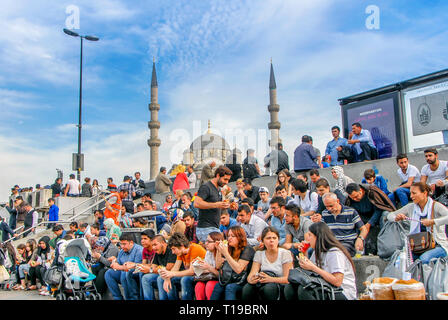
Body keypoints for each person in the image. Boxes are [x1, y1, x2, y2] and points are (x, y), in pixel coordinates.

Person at [285, 222, 357, 300]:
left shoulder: (335, 253)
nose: (307, 239)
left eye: (310, 235)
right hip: (325, 285)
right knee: (290, 288)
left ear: (318, 237)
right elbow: (310, 274)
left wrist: (313, 268)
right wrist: (304, 253)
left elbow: (337, 281)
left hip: (342, 291)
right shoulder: (317, 251)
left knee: (305, 290)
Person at [387, 182, 448, 264]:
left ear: (424, 193)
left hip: (438, 246)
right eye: (410, 193)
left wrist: (432, 222)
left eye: (414, 193)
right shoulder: (411, 207)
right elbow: (389, 215)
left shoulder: (436, 206)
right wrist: (396, 218)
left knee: (423, 259)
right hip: (417, 246)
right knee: (401, 260)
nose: (411, 196)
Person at [243, 226, 293, 300]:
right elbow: (251, 274)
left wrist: (270, 279)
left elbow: (287, 279)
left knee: (269, 289)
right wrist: (252, 279)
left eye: (274, 238)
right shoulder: (259, 254)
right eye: (268, 238)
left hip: (280, 284)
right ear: (262, 241)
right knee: (247, 288)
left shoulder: (285, 253)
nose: (271, 240)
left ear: (278, 239)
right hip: (264, 281)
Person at [345, 183, 396, 254]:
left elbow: (379, 208)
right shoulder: (350, 200)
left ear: (361, 190)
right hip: (363, 217)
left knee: (385, 215)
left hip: (377, 215)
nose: (355, 199)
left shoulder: (371, 192)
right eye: (352, 198)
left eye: (356, 196)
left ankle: (387, 244)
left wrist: (369, 223)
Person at [210, 226, 255, 300]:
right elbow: (218, 266)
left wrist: (226, 253)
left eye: (233, 236)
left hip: (242, 281)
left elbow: (238, 269)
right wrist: (218, 250)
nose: (229, 238)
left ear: (240, 237)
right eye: (228, 236)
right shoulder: (229, 248)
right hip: (229, 279)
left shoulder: (247, 249)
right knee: (218, 286)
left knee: (230, 287)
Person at [158, 233, 206, 300]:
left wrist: (172, 274)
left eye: (173, 249)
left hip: (201, 275)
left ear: (181, 245)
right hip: (192, 275)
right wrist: (167, 277)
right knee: (162, 278)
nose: (173, 252)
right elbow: (176, 268)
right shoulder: (181, 252)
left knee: (185, 279)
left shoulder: (195, 248)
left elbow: (192, 271)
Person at [194, 166, 232, 243]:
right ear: (218, 175)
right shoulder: (206, 187)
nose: (226, 182)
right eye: (225, 179)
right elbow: (196, 203)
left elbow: (216, 207)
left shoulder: (218, 188)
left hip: (214, 228)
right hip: (206, 228)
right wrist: (216, 205)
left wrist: (229, 206)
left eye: (228, 180)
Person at [104, 233, 144, 300]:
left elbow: (137, 267)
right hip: (124, 273)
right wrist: (114, 261)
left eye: (124, 244)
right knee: (109, 273)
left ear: (131, 243)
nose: (122, 246)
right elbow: (119, 264)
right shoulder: (122, 251)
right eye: (121, 244)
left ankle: (132, 297)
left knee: (126, 273)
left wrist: (120, 267)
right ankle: (117, 297)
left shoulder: (139, 250)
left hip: (135, 274)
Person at [141, 235, 177, 300]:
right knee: (145, 277)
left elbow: (168, 268)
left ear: (163, 243)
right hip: (162, 273)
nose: (154, 248)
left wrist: (150, 270)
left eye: (155, 244)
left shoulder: (171, 250)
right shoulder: (158, 251)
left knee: (161, 278)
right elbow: (153, 266)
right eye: (152, 245)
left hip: (174, 274)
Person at [124, 229, 155, 300]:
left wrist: (134, 265)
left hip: (153, 269)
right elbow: (143, 264)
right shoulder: (145, 249)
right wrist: (132, 266)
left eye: (145, 239)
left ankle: (143, 297)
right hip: (147, 268)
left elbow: (152, 265)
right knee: (129, 272)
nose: (142, 241)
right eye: (141, 239)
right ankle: (134, 297)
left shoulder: (154, 248)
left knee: (142, 274)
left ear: (152, 240)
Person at [194, 232, 223, 300]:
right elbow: (205, 270)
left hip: (219, 279)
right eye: (206, 241)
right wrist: (197, 265)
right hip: (209, 277)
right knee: (199, 285)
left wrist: (209, 268)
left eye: (209, 241)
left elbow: (221, 275)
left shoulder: (222, 253)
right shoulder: (208, 252)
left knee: (210, 285)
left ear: (217, 243)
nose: (206, 243)